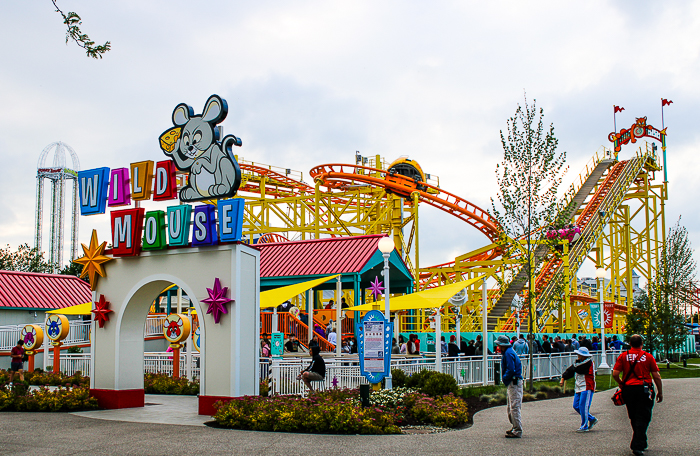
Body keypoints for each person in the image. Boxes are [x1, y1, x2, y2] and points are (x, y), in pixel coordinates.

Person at [612, 334, 663, 456]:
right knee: (644, 416)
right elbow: (656, 375)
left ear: (630, 344)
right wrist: (660, 391)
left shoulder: (624, 356)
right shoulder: (648, 356)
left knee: (634, 416)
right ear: (642, 344)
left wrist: (621, 383)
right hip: (644, 389)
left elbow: (615, 373)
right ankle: (637, 445)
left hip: (628, 389)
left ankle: (641, 441)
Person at [560, 346, 598, 432]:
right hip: (578, 386)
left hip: (587, 386)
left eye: (579, 354)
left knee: (583, 406)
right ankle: (591, 419)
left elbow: (578, 369)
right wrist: (563, 377)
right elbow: (571, 370)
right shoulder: (578, 363)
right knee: (576, 405)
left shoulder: (588, 363)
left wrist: (572, 368)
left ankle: (584, 425)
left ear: (583, 355)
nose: (577, 355)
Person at [497, 335, 523, 438]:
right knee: (512, 406)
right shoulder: (510, 352)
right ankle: (515, 427)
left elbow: (511, 369)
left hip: (514, 382)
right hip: (514, 382)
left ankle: (517, 430)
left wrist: (505, 378)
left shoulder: (508, 354)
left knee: (514, 407)